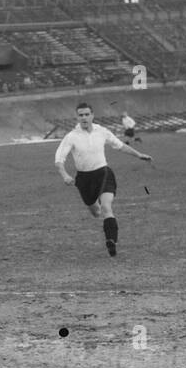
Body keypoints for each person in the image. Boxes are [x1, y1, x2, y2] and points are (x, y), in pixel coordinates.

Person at [54, 102, 153, 257]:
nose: (84, 117)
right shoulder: (71, 137)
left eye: (87, 114)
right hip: (84, 179)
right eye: (81, 115)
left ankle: (111, 241)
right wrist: (65, 175)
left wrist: (139, 154)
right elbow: (59, 159)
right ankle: (99, 213)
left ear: (92, 115)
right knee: (96, 212)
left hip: (104, 174)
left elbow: (120, 146)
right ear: (77, 117)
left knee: (107, 207)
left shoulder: (102, 131)